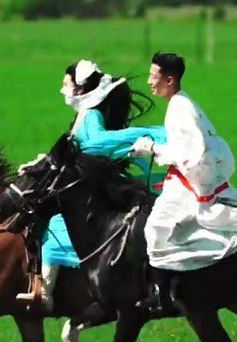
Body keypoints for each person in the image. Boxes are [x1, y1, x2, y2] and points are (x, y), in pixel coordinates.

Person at [131, 51, 237, 314]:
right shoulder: (180, 103)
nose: (149, 82)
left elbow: (190, 154)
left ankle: (164, 294)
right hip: (190, 176)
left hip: (191, 180)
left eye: (153, 77)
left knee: (156, 229)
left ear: (169, 79)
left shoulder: (181, 109)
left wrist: (154, 149)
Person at [20, 59, 166, 310]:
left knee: (54, 225)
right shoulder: (83, 114)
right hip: (79, 180)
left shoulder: (90, 115)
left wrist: (142, 136)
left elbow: (98, 141)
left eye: (66, 85)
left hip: (85, 186)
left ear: (80, 89)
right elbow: (65, 151)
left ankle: (46, 294)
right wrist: (38, 165)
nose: (62, 90)